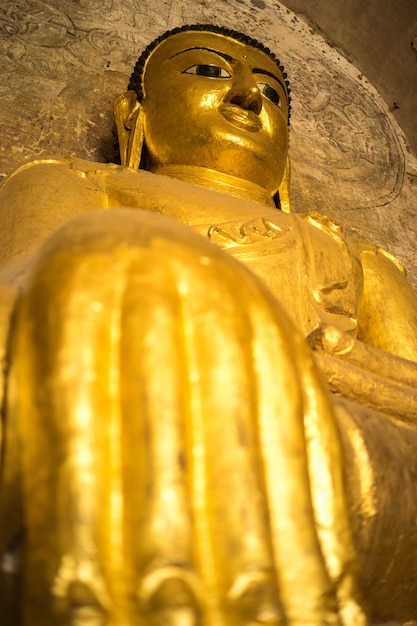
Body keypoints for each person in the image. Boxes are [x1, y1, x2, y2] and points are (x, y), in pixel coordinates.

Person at [0, 24, 417, 626]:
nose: (248, 97)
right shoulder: (77, 183)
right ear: (132, 117)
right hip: (126, 381)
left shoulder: (356, 256)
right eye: (207, 72)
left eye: (272, 94)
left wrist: (320, 367)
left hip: (342, 420)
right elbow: (22, 286)